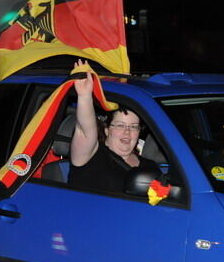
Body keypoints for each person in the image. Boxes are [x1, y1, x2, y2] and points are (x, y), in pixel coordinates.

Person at [68, 59, 159, 193]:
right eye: (120, 126)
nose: (127, 132)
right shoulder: (91, 157)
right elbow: (85, 130)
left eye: (133, 127)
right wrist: (84, 96)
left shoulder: (150, 168)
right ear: (106, 130)